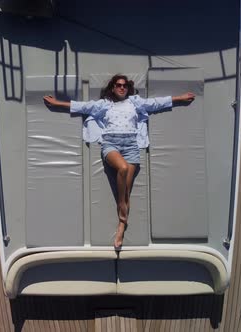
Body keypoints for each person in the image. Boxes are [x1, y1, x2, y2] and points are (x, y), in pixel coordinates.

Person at [43, 74, 195, 250]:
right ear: (113, 88)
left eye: (124, 85)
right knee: (122, 169)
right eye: (118, 85)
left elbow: (156, 103)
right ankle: (122, 209)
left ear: (128, 88)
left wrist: (179, 98)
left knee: (126, 193)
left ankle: (121, 227)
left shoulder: (135, 102)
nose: (122, 87)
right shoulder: (104, 104)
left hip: (131, 145)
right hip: (111, 144)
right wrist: (57, 103)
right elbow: (83, 107)